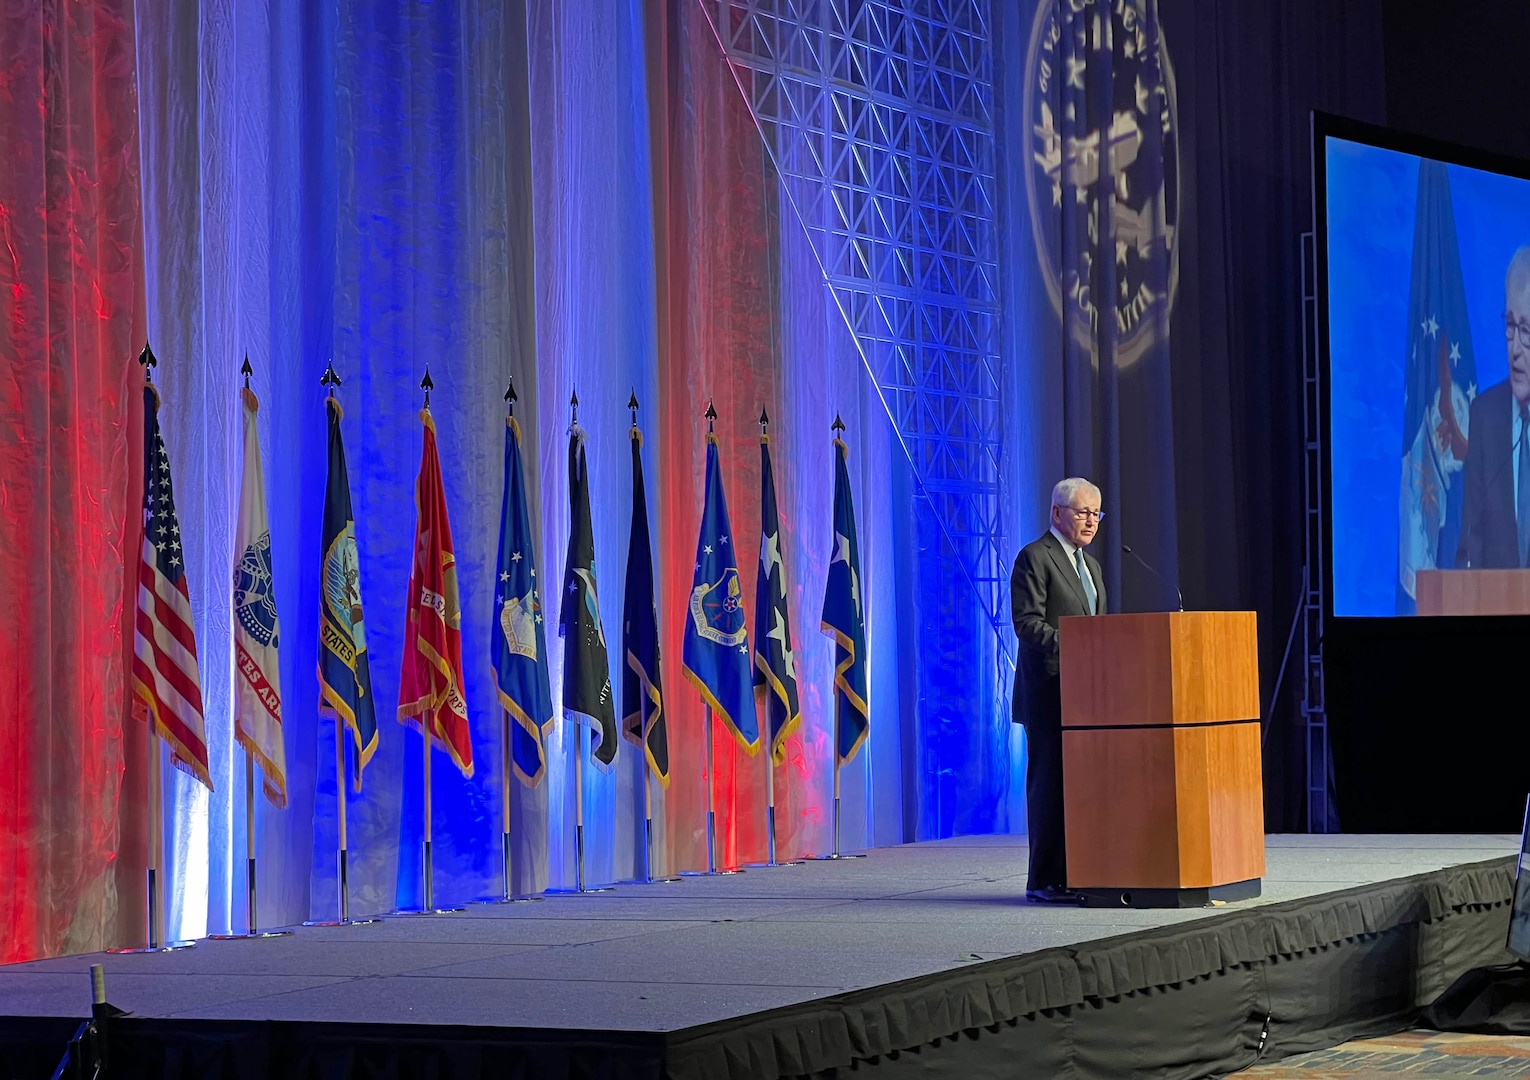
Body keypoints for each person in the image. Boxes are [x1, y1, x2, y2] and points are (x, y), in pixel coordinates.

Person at [1010, 477, 1106, 903]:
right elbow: (1027, 623)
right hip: (1049, 693)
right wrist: (1079, 645)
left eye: (1096, 514)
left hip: (1088, 696)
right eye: (1083, 512)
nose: (1091, 521)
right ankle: (1044, 879)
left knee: (1083, 787)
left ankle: (1080, 871)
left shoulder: (1093, 566)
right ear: (1056, 513)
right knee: (1049, 786)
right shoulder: (1035, 557)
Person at [1459, 247, 1530, 569]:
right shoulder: (1484, 417)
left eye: (1526, 331)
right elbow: (1469, 547)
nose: (1515, 348)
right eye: (1511, 325)